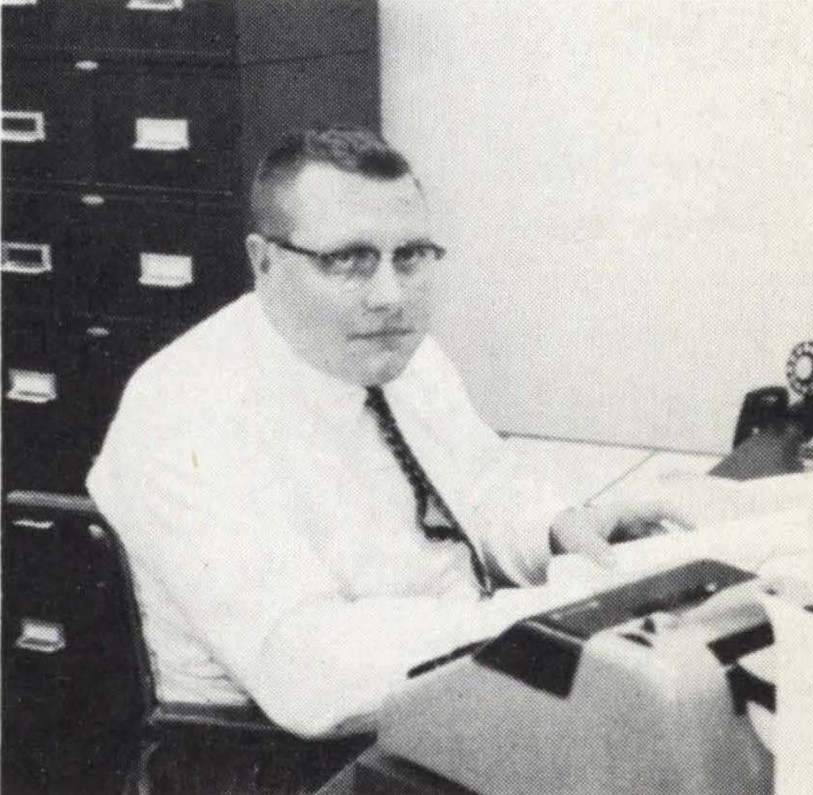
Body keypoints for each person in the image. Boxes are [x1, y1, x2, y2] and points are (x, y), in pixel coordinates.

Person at [87, 127, 692, 740]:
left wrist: (558, 530)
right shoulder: (187, 411)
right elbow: (313, 677)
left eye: (411, 255)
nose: (390, 296)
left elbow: (485, 485)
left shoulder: (398, 353)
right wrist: (552, 614)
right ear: (263, 261)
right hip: (285, 756)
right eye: (348, 260)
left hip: (457, 684)